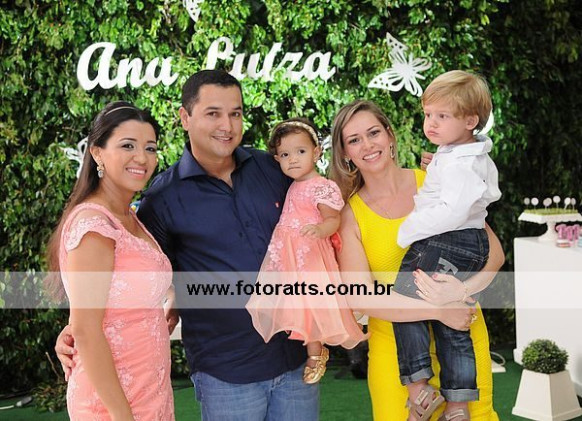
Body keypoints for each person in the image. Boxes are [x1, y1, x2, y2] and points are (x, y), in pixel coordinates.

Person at [55, 70, 475, 421]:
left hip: (294, 361)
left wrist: (439, 174)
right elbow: (138, 272)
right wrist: (80, 329)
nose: (227, 125)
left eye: (235, 113)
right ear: (185, 117)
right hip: (224, 372)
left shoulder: (274, 169)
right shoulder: (161, 198)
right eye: (213, 113)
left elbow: (334, 198)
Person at [330, 99, 505, 421]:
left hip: (462, 331)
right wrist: (438, 309)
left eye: (373, 133)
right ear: (344, 153)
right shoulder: (348, 215)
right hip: (397, 353)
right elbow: (360, 295)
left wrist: (462, 293)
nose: (367, 145)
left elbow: (493, 252)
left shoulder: (434, 182)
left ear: (390, 135)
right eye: (354, 140)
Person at [45, 101, 174, 420]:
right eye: (127, 145)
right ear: (97, 153)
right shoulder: (94, 226)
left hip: (150, 390)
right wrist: (121, 415)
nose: (142, 157)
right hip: (113, 405)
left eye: (150, 148)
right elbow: (87, 330)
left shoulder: (129, 217)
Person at [391, 70, 501, 421]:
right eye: (428, 114)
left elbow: (452, 211)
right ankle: (458, 404)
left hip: (447, 240)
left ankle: (419, 386)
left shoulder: (458, 164)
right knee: (450, 318)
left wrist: (408, 230)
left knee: (403, 300)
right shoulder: (464, 155)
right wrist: (438, 164)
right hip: (471, 241)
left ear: (470, 121)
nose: (431, 123)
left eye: (443, 116)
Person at [245, 117, 368, 385]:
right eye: (285, 155)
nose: (293, 160)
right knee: (297, 306)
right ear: (277, 159)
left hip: (310, 255)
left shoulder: (322, 186)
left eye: (300, 151)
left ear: (316, 152)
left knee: (312, 304)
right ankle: (314, 349)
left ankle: (316, 353)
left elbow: (333, 219)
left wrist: (321, 229)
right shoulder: (292, 185)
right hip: (288, 256)